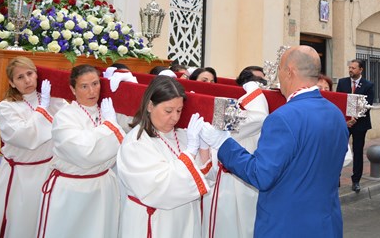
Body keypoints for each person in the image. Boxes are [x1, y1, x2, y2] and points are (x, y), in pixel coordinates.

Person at [200, 46, 349, 237]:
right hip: (327, 225)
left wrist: (223, 144)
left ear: (289, 71)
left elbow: (260, 175)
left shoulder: (283, 118)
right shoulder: (335, 113)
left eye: (279, 69)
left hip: (287, 227)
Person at [36, 65, 125, 238]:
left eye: (95, 84)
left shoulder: (107, 110)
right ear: (73, 89)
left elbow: (129, 140)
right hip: (72, 191)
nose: (92, 91)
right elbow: (84, 152)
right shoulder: (65, 116)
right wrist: (111, 127)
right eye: (84, 86)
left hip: (103, 189)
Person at [116, 75, 211, 238]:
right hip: (155, 222)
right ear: (150, 106)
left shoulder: (182, 136)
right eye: (168, 111)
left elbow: (203, 179)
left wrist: (202, 148)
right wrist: (190, 152)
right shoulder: (136, 143)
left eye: (179, 110)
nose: (175, 117)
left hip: (185, 219)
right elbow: (160, 187)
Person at [0, 56, 67, 238]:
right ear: (12, 83)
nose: (27, 80)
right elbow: (25, 137)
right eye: (20, 77)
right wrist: (43, 108)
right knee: (21, 223)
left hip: (49, 171)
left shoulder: (53, 100)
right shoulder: (5, 108)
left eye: (30, 74)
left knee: (45, 220)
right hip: (21, 177)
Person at [202, 79, 269, 238]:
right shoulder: (221, 118)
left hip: (243, 185)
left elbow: (259, 117)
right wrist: (252, 87)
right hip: (223, 187)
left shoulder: (239, 121)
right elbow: (259, 115)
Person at [336, 58, 375, 192]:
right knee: (340, 149)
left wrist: (355, 118)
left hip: (360, 124)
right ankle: (336, 177)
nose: (350, 70)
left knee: (358, 151)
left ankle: (356, 180)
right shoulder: (342, 82)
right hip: (345, 123)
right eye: (350, 67)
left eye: (353, 68)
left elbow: (367, 104)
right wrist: (346, 119)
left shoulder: (368, 85)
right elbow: (338, 101)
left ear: (360, 70)